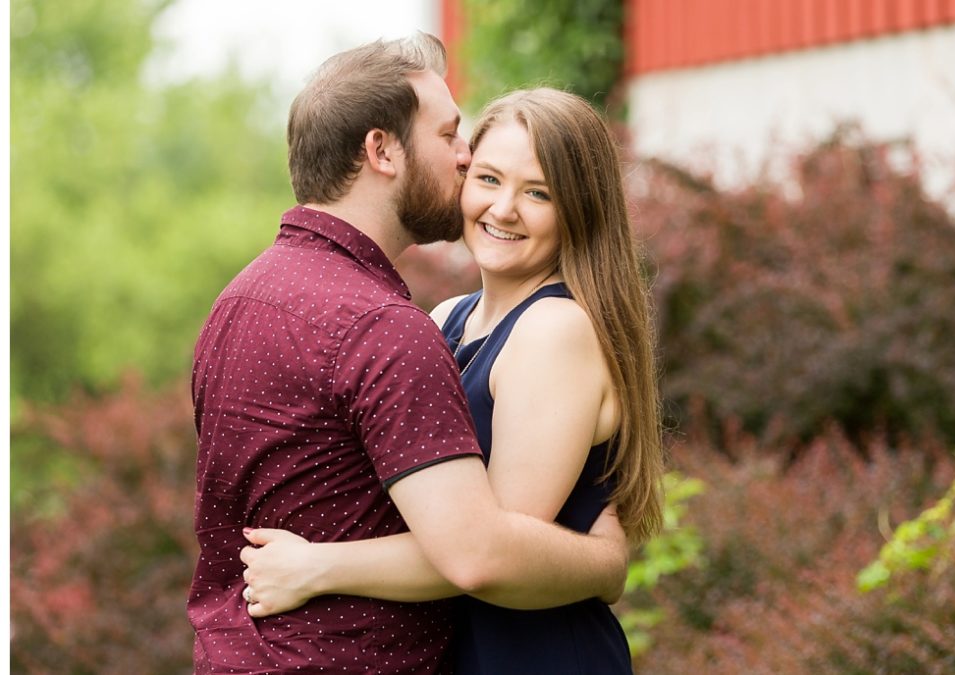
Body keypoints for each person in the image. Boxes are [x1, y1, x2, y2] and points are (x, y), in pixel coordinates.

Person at [188, 34, 632, 674]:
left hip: (529, 651)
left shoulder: (553, 329)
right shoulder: (439, 320)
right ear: (381, 151)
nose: (499, 204)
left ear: (577, 211)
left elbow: (489, 551)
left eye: (539, 192)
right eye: (483, 172)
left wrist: (317, 565)